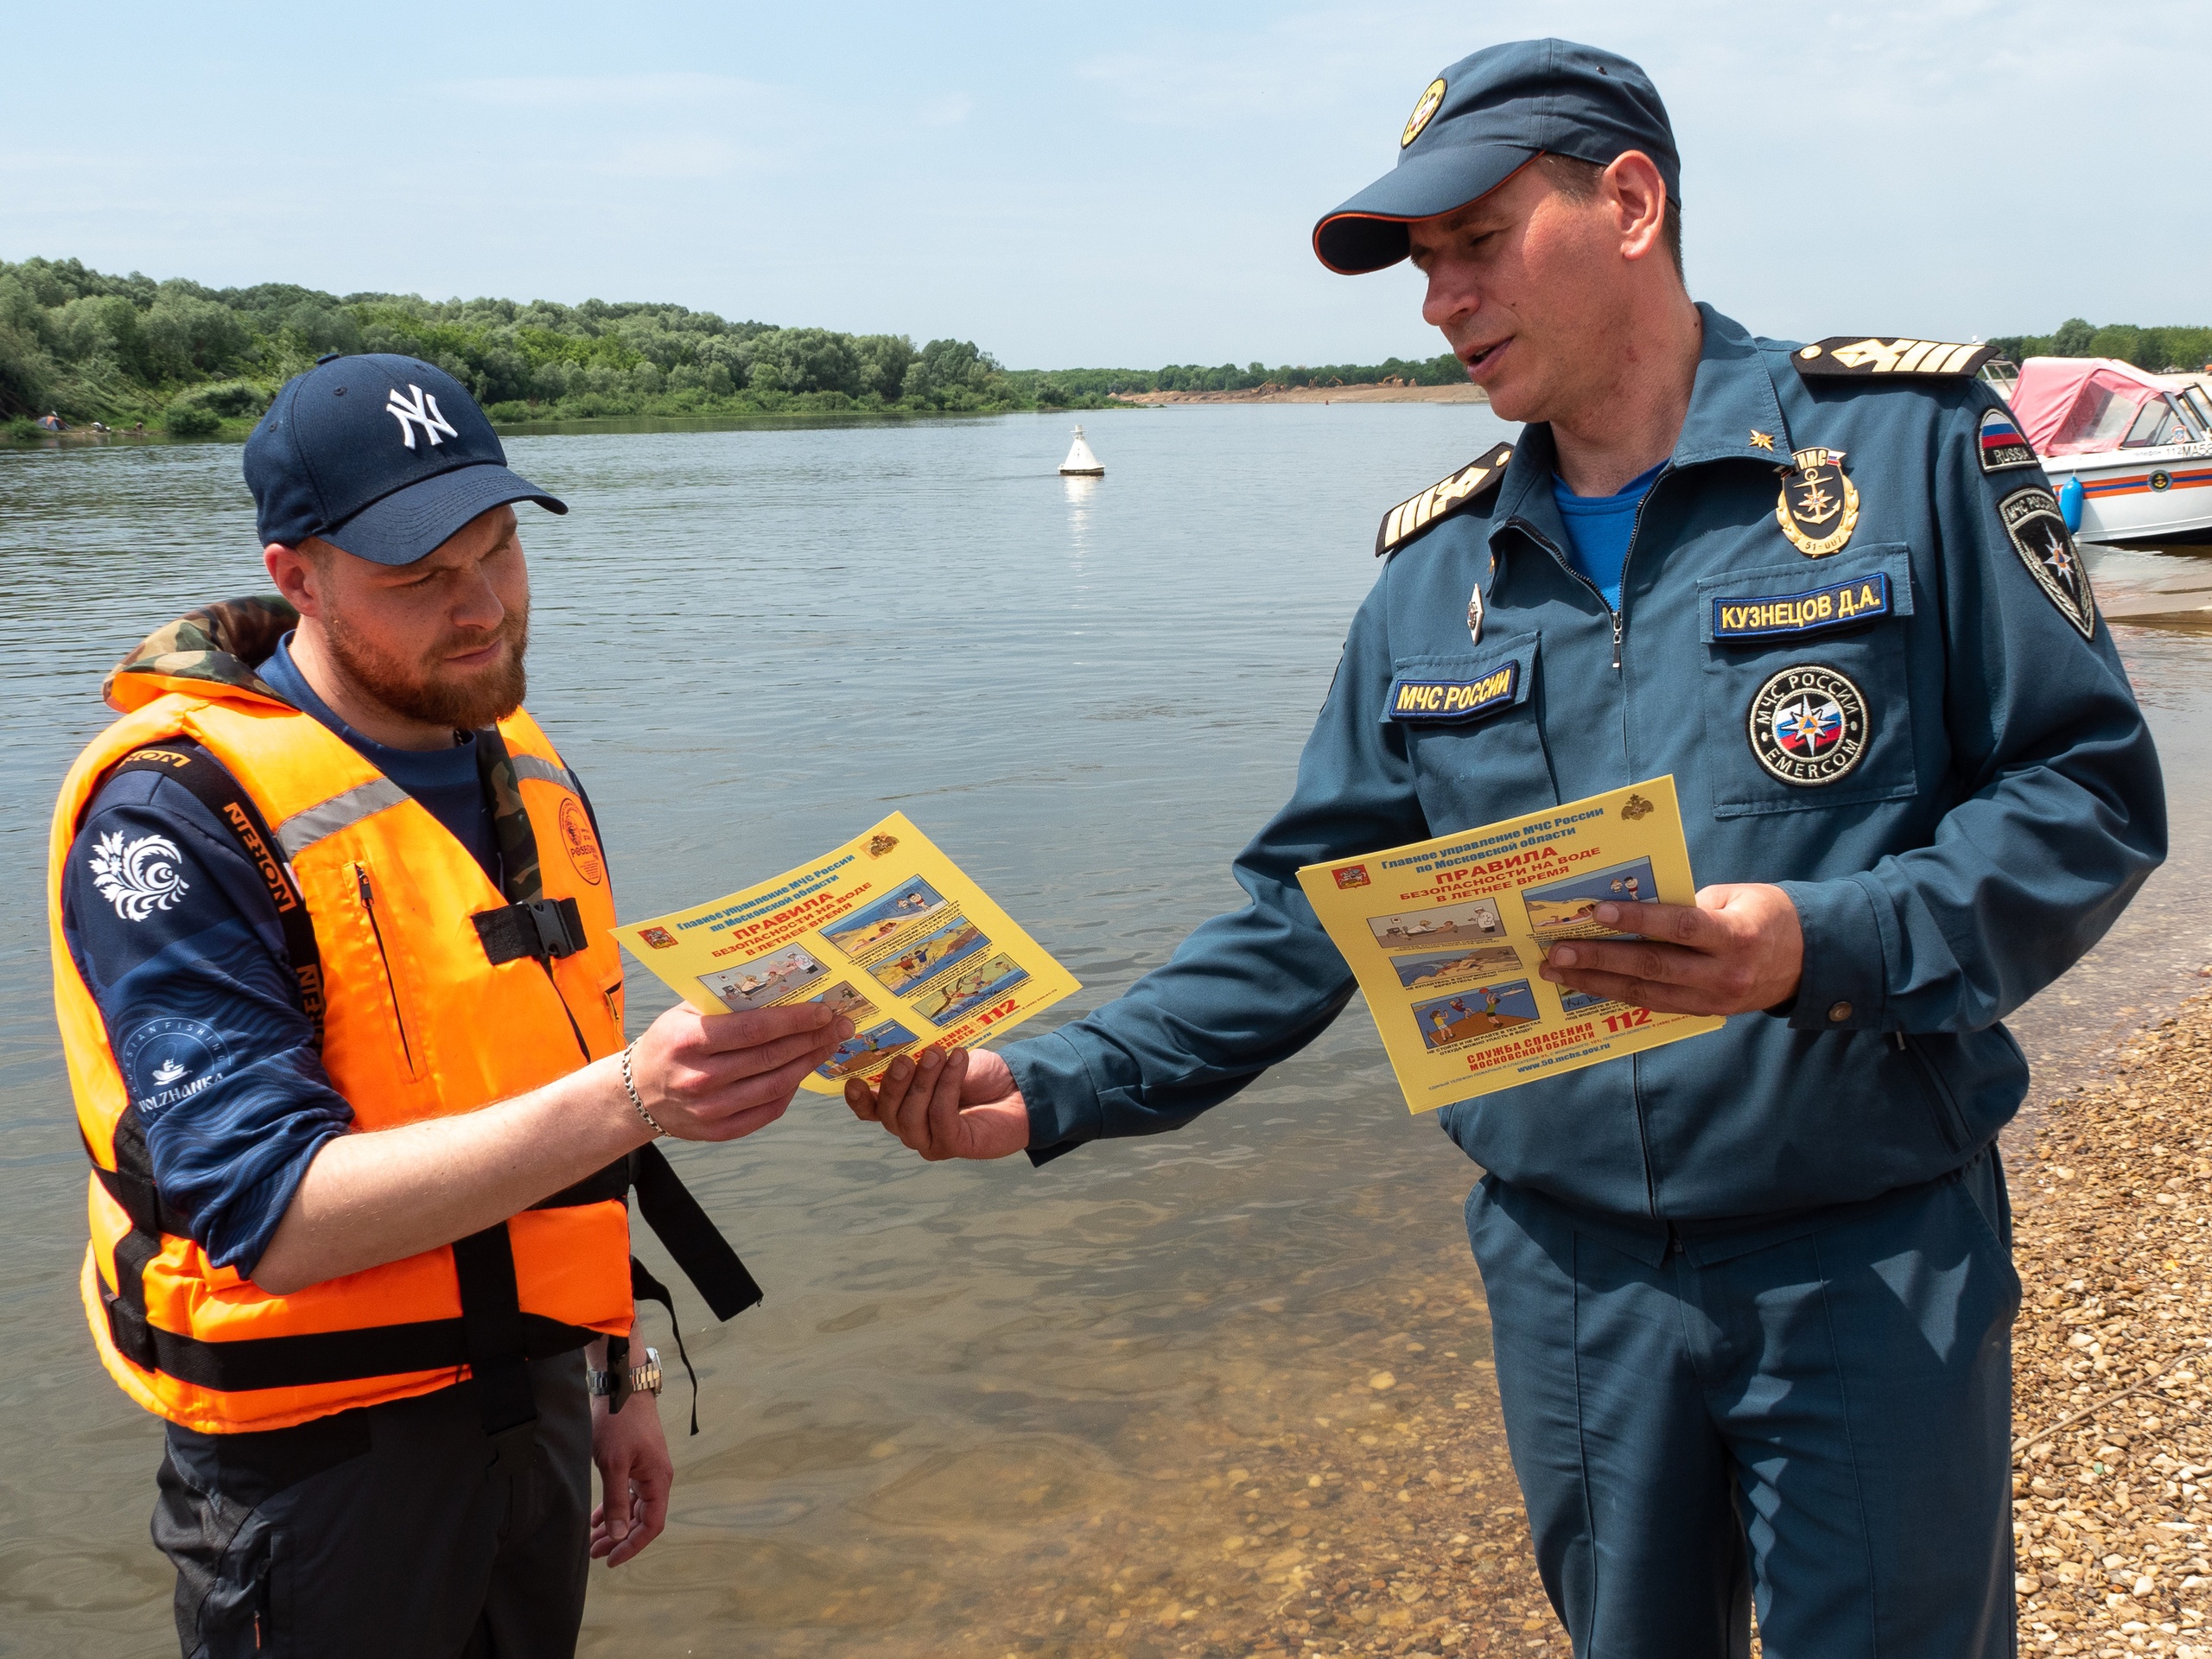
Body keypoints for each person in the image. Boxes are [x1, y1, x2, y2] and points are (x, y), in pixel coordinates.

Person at [845, 38, 2167, 1657]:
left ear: (1628, 201)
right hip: (1568, 1280)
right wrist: (1055, 1083)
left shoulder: (1903, 451)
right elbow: (1305, 915)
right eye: (1419, 261)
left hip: (1867, 1250)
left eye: (1474, 242)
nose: (1438, 300)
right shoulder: (1433, 572)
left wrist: (1825, 945)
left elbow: (2086, 792)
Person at [51, 353, 855, 1658]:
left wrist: (616, 1366)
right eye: (420, 578)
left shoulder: (522, 768)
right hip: (319, 1467)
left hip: (532, 1402)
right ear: (295, 574)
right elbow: (275, 1216)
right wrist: (643, 1092)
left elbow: (553, 1081)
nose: (482, 608)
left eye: (499, 552)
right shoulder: (177, 818)